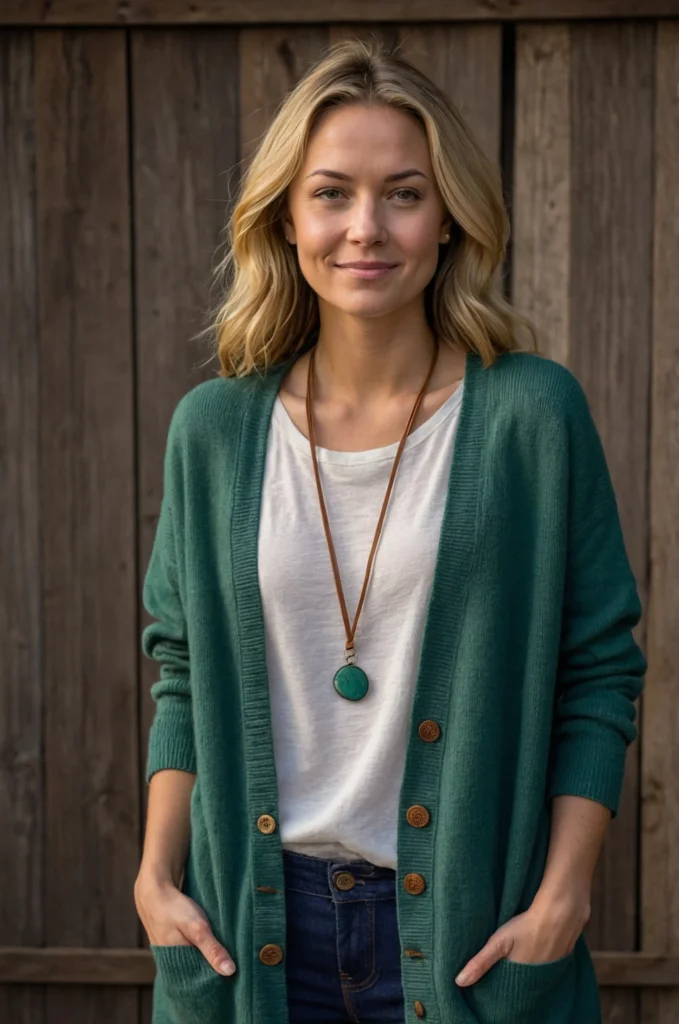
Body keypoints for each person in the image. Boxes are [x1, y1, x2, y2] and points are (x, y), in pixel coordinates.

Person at [133, 36, 646, 1024]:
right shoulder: (215, 431)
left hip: (467, 940)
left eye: (402, 193)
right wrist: (157, 879)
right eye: (331, 193)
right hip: (252, 934)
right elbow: (182, 668)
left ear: (448, 216)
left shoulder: (530, 417)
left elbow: (596, 669)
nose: (365, 228)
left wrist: (565, 897)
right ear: (285, 217)